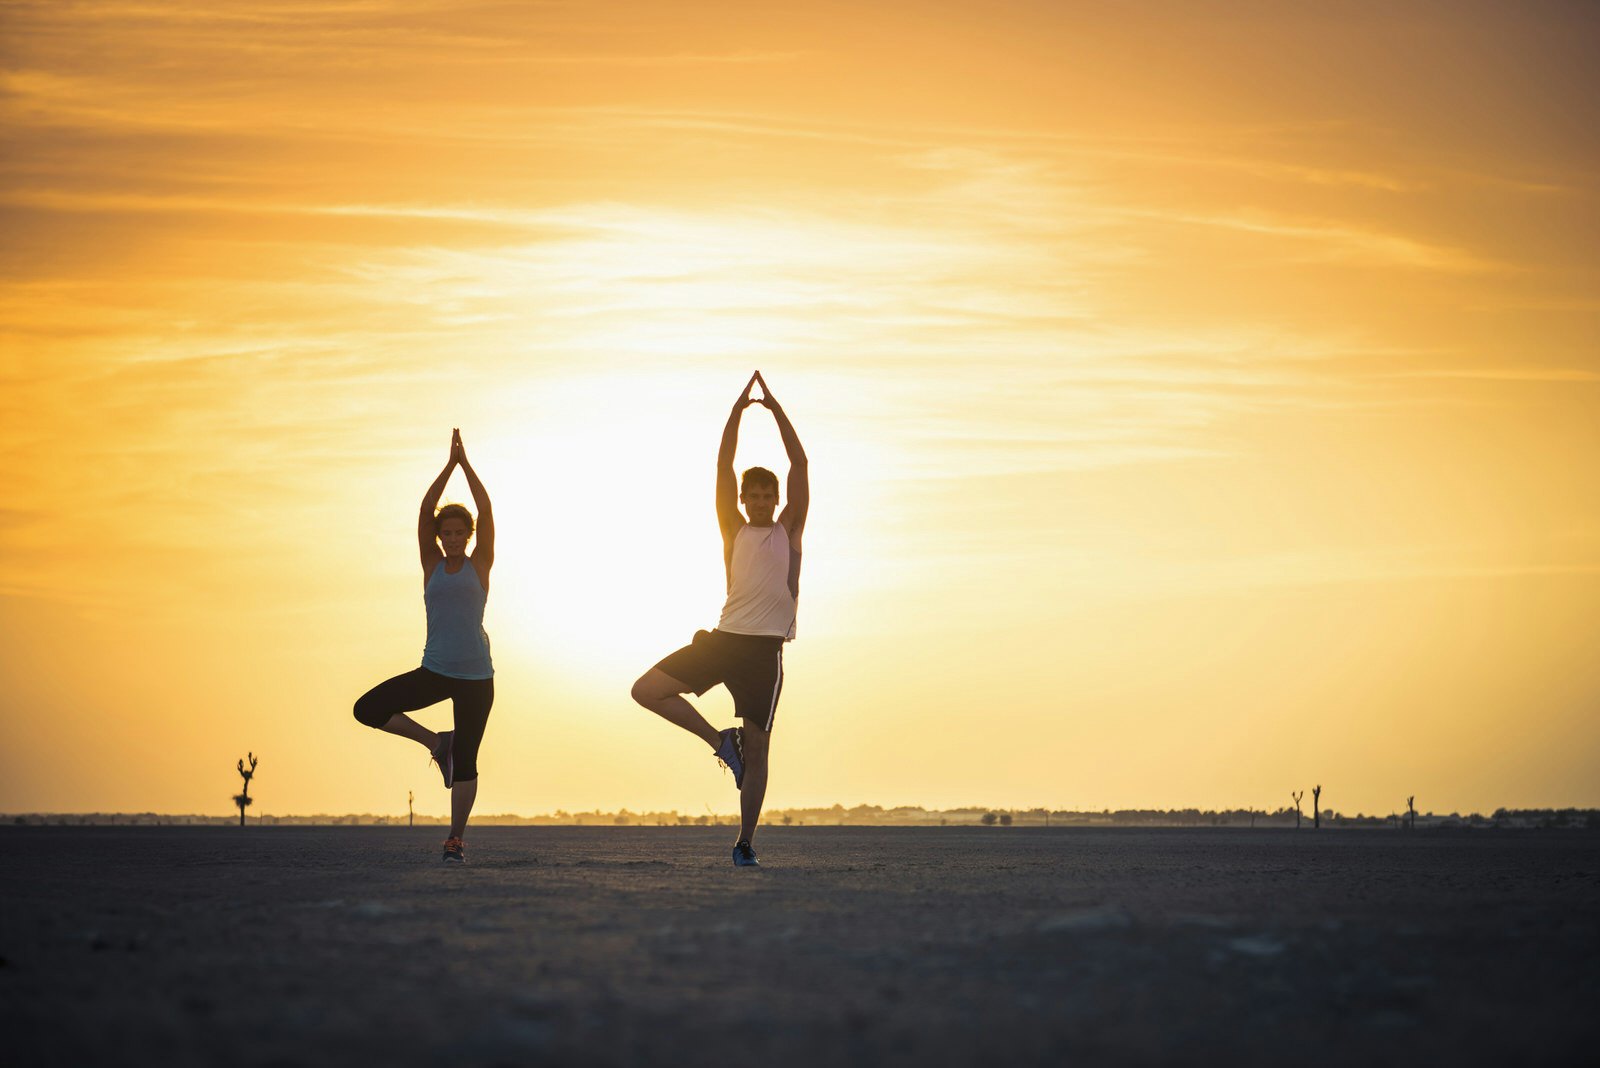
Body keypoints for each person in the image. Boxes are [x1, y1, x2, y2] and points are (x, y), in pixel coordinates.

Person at [632, 371, 808, 868]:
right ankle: (717, 742)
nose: (759, 502)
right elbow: (722, 463)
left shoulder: (788, 530)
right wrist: (735, 412)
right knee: (646, 690)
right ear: (742, 501)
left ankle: (745, 841)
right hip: (723, 639)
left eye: (766, 496)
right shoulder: (732, 529)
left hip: (763, 652)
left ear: (776, 500)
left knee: (761, 746)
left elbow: (800, 463)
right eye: (751, 495)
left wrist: (773, 409)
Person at [353, 429, 495, 864]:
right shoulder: (431, 563)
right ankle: (437, 743)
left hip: (476, 678)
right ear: (439, 537)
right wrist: (446, 466)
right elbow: (423, 511)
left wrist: (467, 467)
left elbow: (486, 509)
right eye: (446, 533)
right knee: (367, 709)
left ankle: (455, 838)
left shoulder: (481, 563)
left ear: (468, 536)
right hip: (434, 671)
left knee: (468, 764)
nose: (452, 538)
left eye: (459, 533)